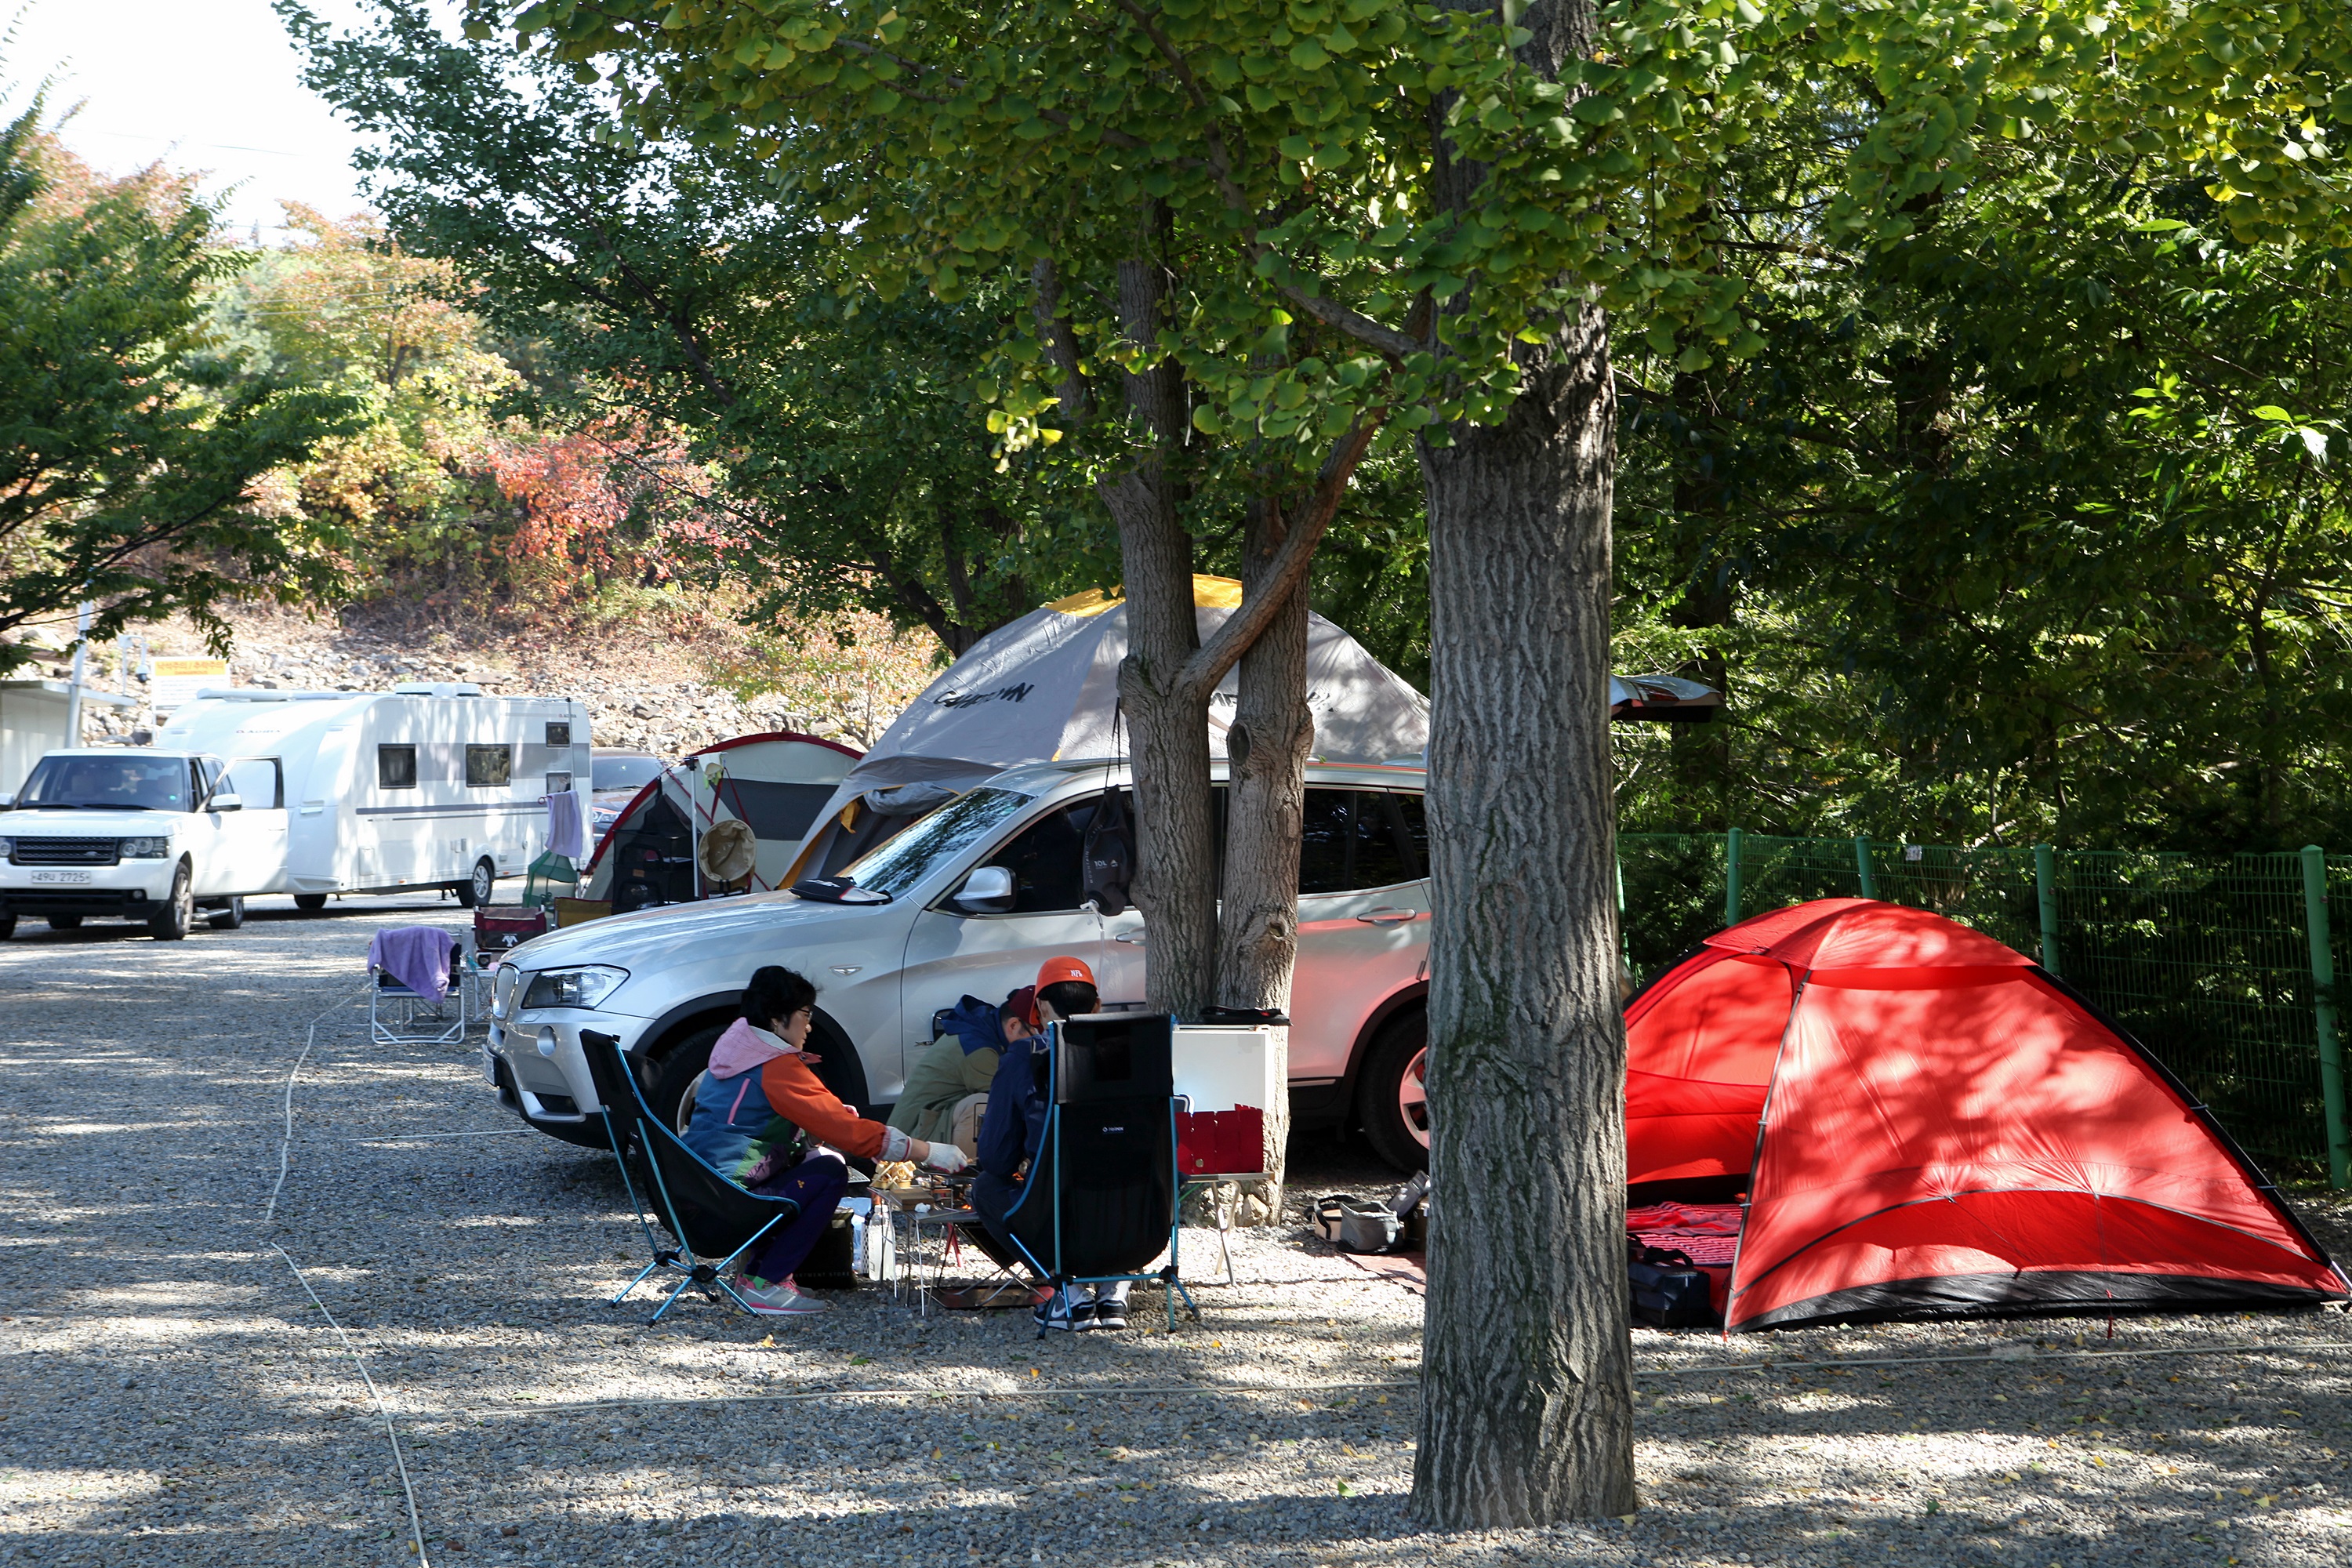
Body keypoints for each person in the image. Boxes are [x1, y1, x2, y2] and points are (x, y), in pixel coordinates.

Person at [685, 965, 967, 1316]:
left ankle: (755, 1278)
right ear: (777, 1019)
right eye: (805, 1014)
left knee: (816, 1156)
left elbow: (797, 1116)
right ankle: (764, 1284)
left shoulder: (736, 1050)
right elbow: (844, 1132)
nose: (809, 1025)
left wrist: (832, 1120)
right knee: (831, 1168)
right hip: (729, 1203)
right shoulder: (775, 1065)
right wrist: (928, 1150)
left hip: (699, 1192)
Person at [969, 956, 1133, 1332]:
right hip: (1132, 1217)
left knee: (988, 1188)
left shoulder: (1025, 1057)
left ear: (1041, 1009)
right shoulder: (1135, 1050)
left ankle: (1069, 1294)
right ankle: (1114, 1284)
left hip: (1059, 1216)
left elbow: (995, 1159)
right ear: (1097, 1006)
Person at [886, 986, 1036, 1152]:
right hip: (909, 1141)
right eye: (1036, 1037)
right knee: (986, 1106)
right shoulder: (978, 1049)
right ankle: (973, 1173)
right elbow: (1012, 1102)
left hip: (925, 1126)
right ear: (1013, 1025)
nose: (1040, 1045)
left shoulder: (985, 1028)